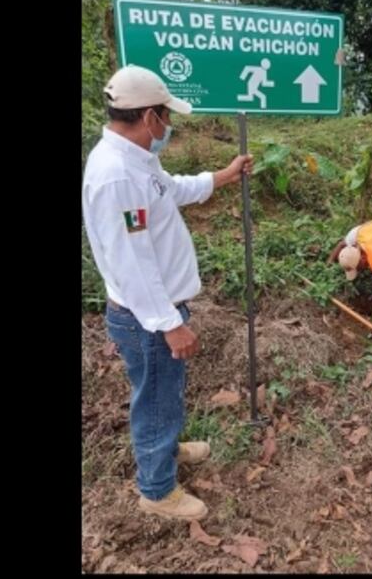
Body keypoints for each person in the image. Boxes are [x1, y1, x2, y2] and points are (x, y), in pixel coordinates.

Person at [82, 65, 253, 521]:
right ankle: (157, 491)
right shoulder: (118, 176)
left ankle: (167, 447)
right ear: (148, 117)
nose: (169, 126)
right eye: (166, 116)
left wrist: (221, 176)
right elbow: (132, 264)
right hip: (146, 317)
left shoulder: (138, 161)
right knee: (155, 394)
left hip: (153, 312)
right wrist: (170, 323)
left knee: (164, 391)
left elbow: (171, 190)